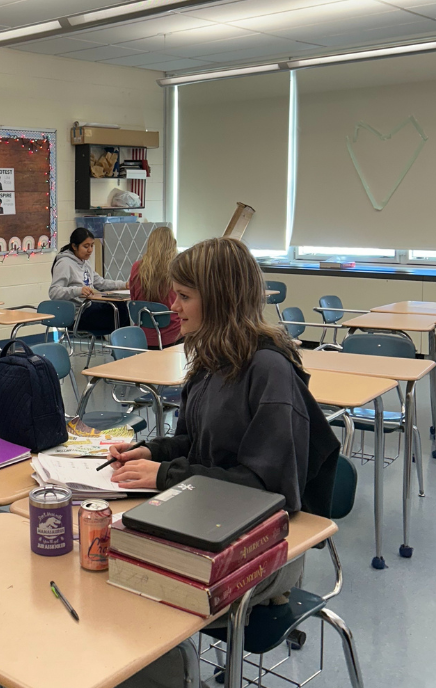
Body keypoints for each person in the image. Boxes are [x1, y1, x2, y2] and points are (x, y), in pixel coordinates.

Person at [108, 238, 340, 688]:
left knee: (131, 593)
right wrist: (154, 453)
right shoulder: (210, 360)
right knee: (111, 560)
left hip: (266, 552)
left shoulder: (268, 371)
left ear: (220, 299)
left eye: (185, 296)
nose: (173, 306)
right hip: (208, 523)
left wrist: (165, 476)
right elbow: (194, 443)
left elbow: (265, 490)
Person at [49, 227, 128, 332]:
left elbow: (101, 283)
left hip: (88, 306)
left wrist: (124, 285)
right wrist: (78, 290)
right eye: (86, 246)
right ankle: (121, 341)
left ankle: (122, 341)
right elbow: (54, 292)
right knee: (117, 313)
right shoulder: (64, 264)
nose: (90, 250)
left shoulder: (85, 262)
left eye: (92, 246)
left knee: (121, 307)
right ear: (74, 246)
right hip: (77, 313)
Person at [129, 226, 181, 349]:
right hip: (172, 335)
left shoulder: (137, 267)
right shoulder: (177, 268)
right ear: (173, 244)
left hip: (143, 336)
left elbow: (134, 299)